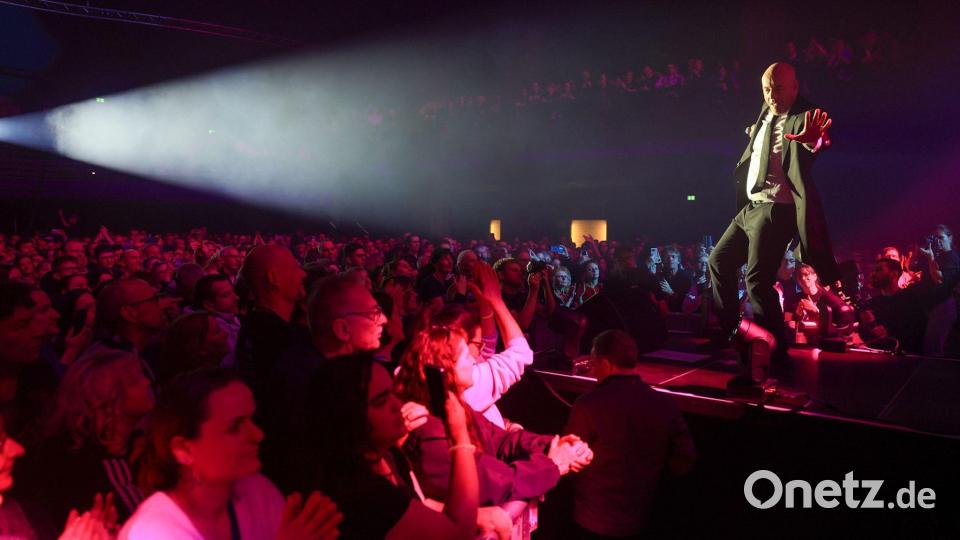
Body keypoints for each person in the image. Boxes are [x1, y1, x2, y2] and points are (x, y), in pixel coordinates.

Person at [394, 310, 590, 512]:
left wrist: (552, 445)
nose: (473, 360)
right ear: (446, 368)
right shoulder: (430, 430)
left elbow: (502, 440)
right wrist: (554, 464)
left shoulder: (454, 407)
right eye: (465, 355)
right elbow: (497, 483)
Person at [708, 62, 838, 364]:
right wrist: (755, 131)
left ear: (795, 87)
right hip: (750, 207)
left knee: (757, 280)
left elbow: (820, 138)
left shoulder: (805, 115)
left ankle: (775, 352)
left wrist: (815, 141)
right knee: (719, 261)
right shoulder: (766, 112)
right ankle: (736, 332)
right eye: (767, 89)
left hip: (777, 209)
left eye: (778, 88)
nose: (771, 95)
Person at [121, 369, 342, 539]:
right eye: (235, 427)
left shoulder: (257, 492)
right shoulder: (152, 532)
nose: (258, 434)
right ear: (184, 449)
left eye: (252, 420)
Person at [297, 354, 480, 539]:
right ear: (349, 419)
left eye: (392, 393)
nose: (397, 405)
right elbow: (458, 534)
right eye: (381, 401)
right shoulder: (359, 493)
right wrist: (460, 437)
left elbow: (416, 507)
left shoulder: (389, 454)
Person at [564, 330, 696, 539]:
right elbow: (684, 461)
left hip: (593, 520)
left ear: (607, 363)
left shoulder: (587, 406)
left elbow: (568, 463)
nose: (593, 370)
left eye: (594, 363)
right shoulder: (665, 405)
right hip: (642, 519)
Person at [17, 350, 154, 526]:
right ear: (110, 398)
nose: (147, 382)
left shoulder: (136, 445)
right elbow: (141, 518)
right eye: (134, 381)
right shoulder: (89, 461)